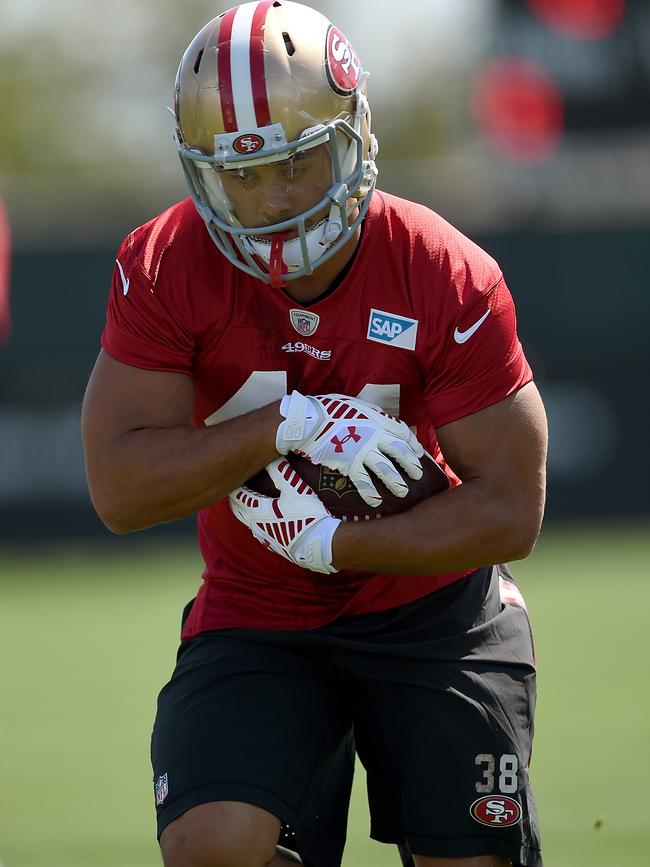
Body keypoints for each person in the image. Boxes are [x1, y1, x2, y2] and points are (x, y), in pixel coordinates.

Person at [81, 2, 548, 866]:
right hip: (257, 607)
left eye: (297, 163)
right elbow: (117, 487)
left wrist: (338, 544)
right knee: (211, 843)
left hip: (432, 609)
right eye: (243, 176)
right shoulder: (164, 263)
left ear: (354, 134)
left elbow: (513, 511)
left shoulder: (443, 271)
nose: (275, 200)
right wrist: (284, 424)